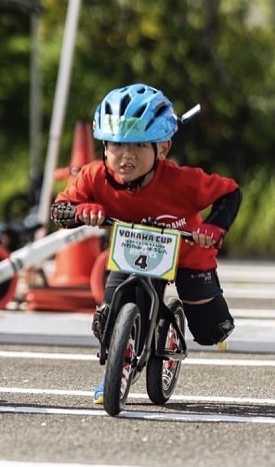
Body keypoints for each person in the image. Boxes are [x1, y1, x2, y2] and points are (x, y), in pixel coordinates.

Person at [50, 83, 242, 404]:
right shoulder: (93, 176)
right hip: (130, 251)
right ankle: (112, 371)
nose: (126, 156)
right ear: (103, 146)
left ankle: (175, 331)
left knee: (212, 330)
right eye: (115, 145)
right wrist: (83, 210)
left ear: (163, 149)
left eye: (139, 145)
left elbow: (230, 192)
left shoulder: (184, 181)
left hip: (187, 251)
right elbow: (61, 208)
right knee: (107, 318)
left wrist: (213, 227)